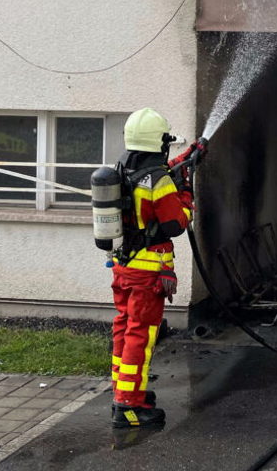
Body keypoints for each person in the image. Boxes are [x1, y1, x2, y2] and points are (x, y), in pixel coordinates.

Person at [110, 107, 199, 428]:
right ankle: (129, 407)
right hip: (148, 273)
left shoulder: (123, 169)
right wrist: (187, 194)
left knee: (124, 328)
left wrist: (189, 156)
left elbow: (162, 173)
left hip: (124, 268)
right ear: (158, 142)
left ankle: (122, 392)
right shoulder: (158, 181)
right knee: (141, 335)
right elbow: (176, 223)